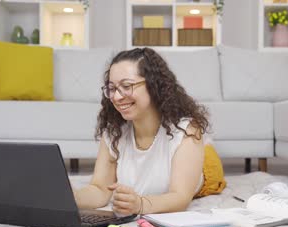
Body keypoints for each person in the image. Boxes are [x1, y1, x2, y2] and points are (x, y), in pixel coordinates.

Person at [74, 48, 226, 216]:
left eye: (126, 86)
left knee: (208, 164)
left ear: (154, 85)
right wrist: (70, 197)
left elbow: (181, 197)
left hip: (206, 169)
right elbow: (99, 189)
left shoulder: (187, 131)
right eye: (112, 88)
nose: (116, 97)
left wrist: (140, 204)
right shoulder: (114, 132)